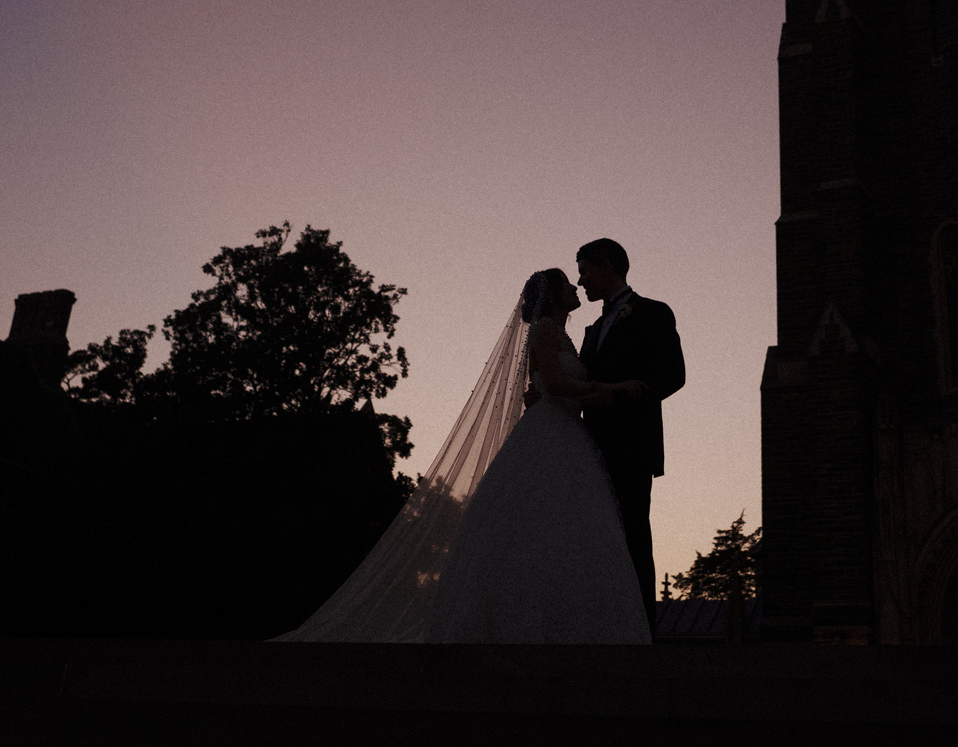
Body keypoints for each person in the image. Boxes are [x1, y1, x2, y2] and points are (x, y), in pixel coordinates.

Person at [278, 266, 651, 644]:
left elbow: (544, 386)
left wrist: (589, 393)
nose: (576, 286)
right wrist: (613, 388)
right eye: (567, 283)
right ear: (553, 295)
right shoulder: (544, 330)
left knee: (568, 530)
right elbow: (554, 383)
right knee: (541, 525)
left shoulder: (565, 335)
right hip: (551, 436)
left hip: (569, 434)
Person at [572, 238, 687, 620]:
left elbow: (673, 375)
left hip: (633, 446)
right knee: (595, 539)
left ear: (607, 266)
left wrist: (622, 396)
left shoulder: (653, 313)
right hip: (589, 448)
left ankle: (641, 631)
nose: (580, 280)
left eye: (585, 270)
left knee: (633, 535)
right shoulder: (592, 329)